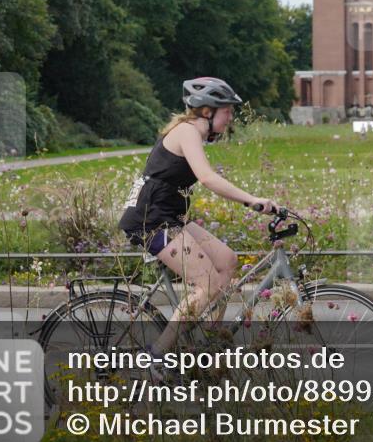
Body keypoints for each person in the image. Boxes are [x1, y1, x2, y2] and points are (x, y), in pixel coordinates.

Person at [118, 77, 279, 360]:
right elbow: (207, 178)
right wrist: (252, 200)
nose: (231, 118)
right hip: (150, 219)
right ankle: (157, 357)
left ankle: (209, 343)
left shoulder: (194, 132)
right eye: (227, 111)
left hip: (169, 217)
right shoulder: (187, 131)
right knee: (207, 284)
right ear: (207, 111)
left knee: (227, 261)